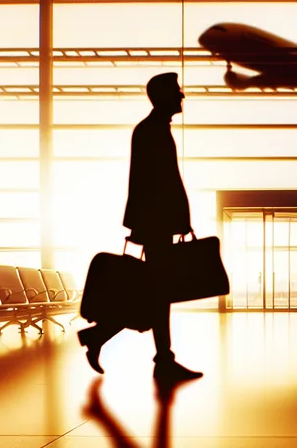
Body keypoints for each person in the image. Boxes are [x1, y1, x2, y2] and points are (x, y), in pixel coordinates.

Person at [77, 72, 203, 383]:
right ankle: (161, 359)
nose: (182, 96)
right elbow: (152, 183)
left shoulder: (154, 129)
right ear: (163, 96)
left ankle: (103, 337)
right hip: (157, 225)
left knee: (155, 293)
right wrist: (166, 222)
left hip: (158, 224)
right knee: (158, 294)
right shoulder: (151, 131)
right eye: (177, 91)